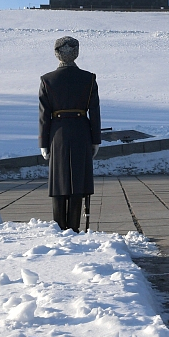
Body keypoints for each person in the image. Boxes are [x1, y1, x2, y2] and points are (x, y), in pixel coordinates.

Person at [39, 36, 101, 231]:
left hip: (57, 134)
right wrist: (96, 139)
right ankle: (74, 228)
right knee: (78, 183)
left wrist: (43, 143)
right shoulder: (89, 79)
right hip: (81, 132)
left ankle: (59, 229)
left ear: (56, 53)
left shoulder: (47, 80)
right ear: (77, 52)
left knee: (59, 183)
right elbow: (95, 112)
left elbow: (44, 115)